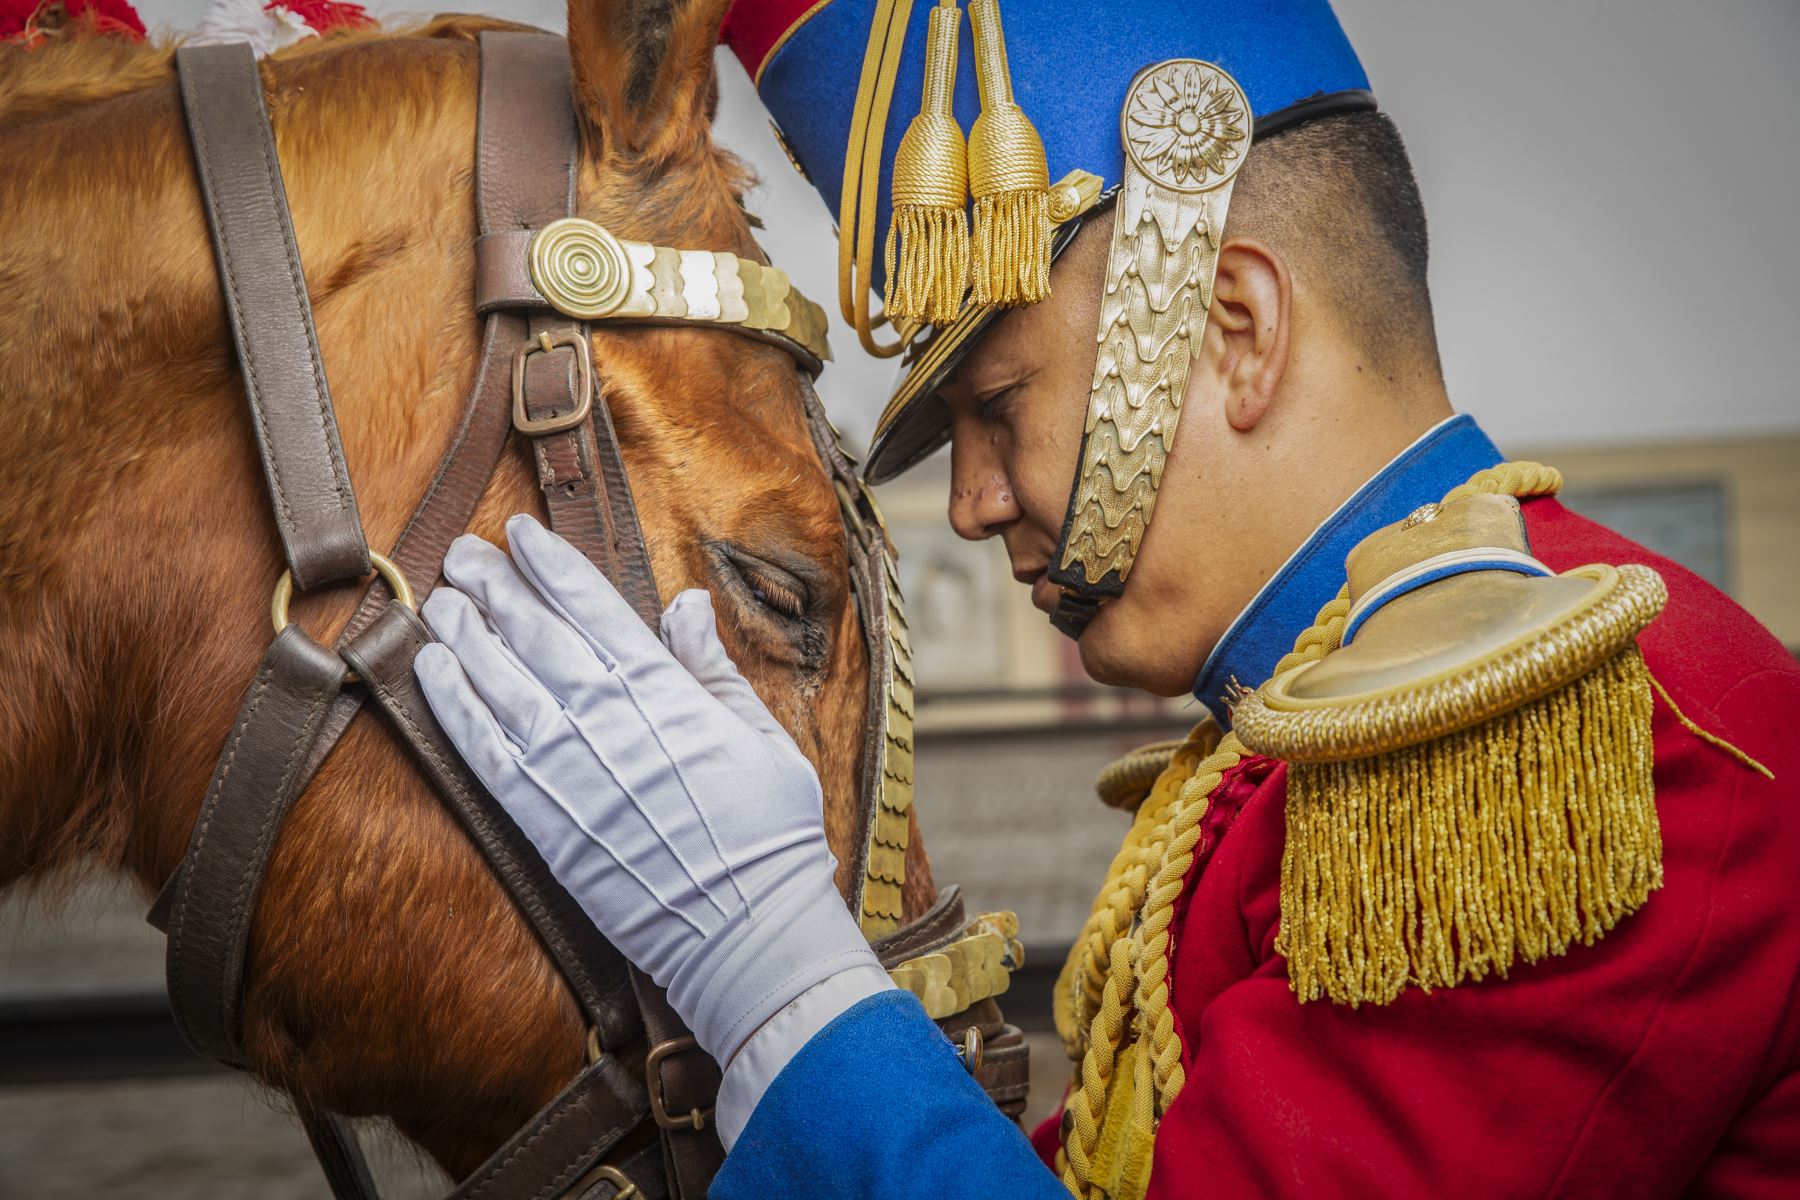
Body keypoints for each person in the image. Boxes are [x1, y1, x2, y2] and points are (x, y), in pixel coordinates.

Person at [412, 0, 1800, 1195]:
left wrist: (772, 967)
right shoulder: (1309, 742)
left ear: (1235, 331)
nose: (969, 502)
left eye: (998, 405)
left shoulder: (1585, 739)